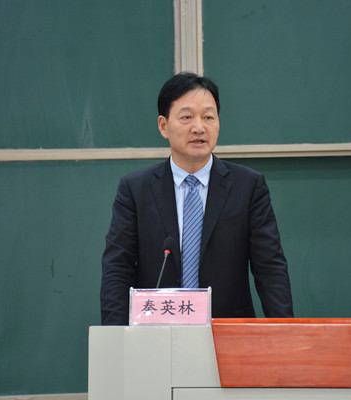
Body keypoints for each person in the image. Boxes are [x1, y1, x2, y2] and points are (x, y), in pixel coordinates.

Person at [100, 72, 293, 325]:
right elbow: (118, 268)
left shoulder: (248, 186)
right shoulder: (135, 190)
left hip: (228, 334)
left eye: (208, 117)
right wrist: (116, 335)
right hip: (157, 332)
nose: (199, 127)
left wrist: (285, 332)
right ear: (163, 126)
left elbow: (270, 268)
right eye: (187, 117)